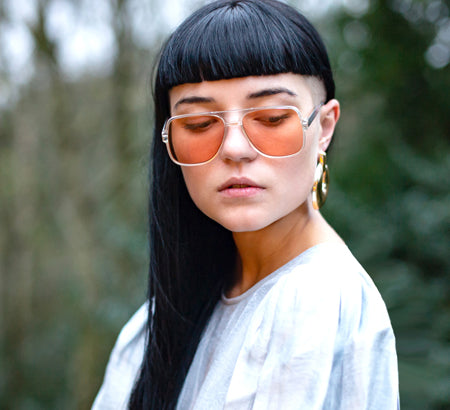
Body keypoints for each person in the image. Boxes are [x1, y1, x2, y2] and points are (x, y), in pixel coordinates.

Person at [92, 0, 399, 409]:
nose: (234, 149)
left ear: (324, 127)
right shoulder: (159, 322)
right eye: (200, 124)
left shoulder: (318, 299)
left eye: (271, 118)